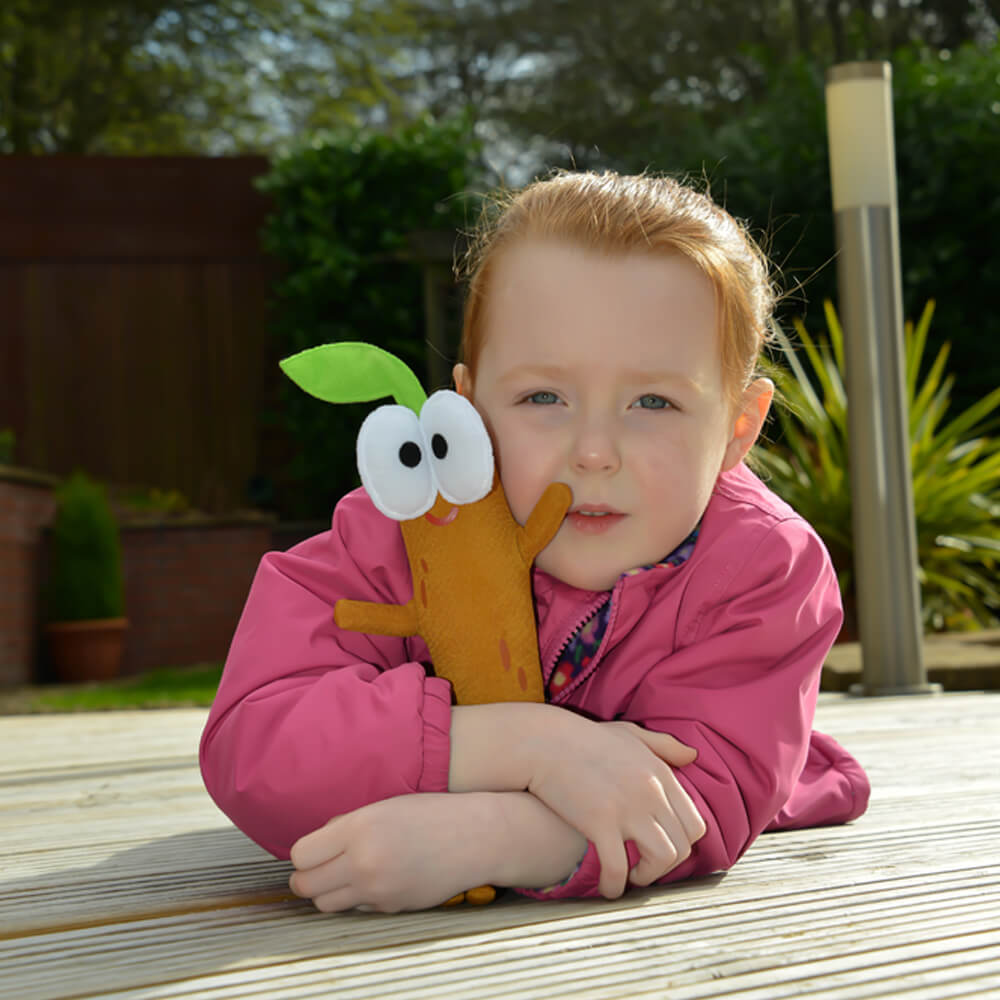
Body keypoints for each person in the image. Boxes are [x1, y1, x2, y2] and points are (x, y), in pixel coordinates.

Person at [200, 170, 870, 914]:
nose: (593, 451)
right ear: (467, 405)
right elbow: (255, 745)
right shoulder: (400, 530)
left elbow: (698, 802)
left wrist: (487, 835)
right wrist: (528, 746)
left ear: (738, 429)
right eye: (542, 397)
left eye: (654, 401)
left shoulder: (763, 567)